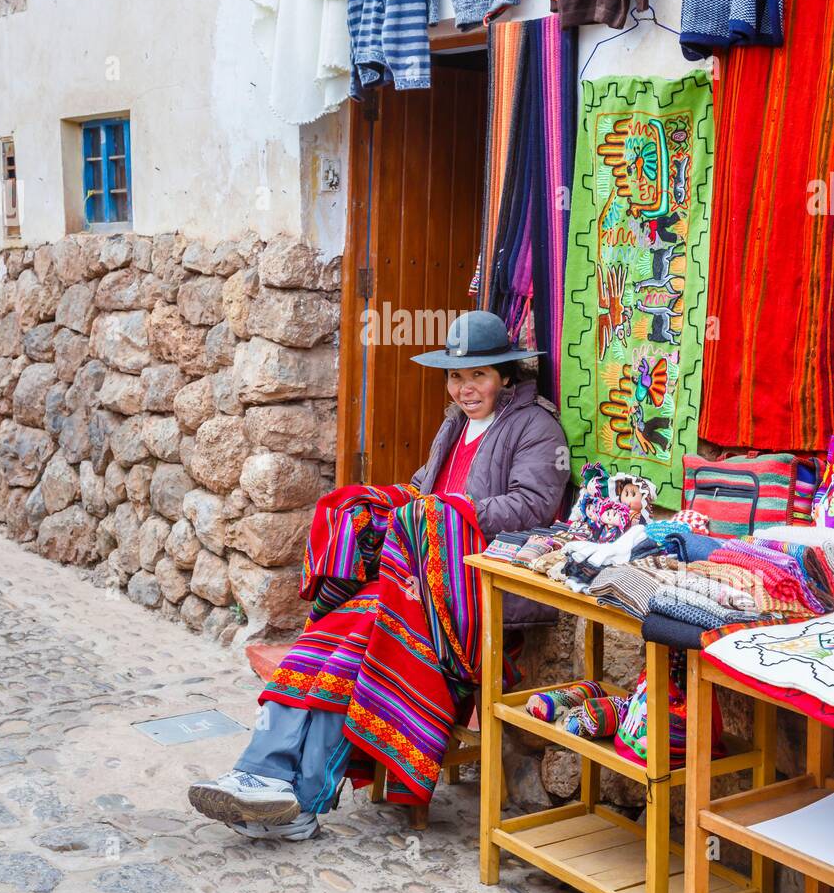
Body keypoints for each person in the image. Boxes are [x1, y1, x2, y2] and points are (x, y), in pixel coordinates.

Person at [188, 311, 570, 841]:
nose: (465, 387)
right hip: (419, 585)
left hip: (478, 593)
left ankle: (291, 796)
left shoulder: (535, 427)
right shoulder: (454, 425)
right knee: (327, 641)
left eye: (478, 375)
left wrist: (442, 512)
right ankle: (269, 780)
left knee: (358, 636)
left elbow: (534, 507)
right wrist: (385, 504)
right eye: (456, 376)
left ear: (504, 375)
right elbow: (422, 488)